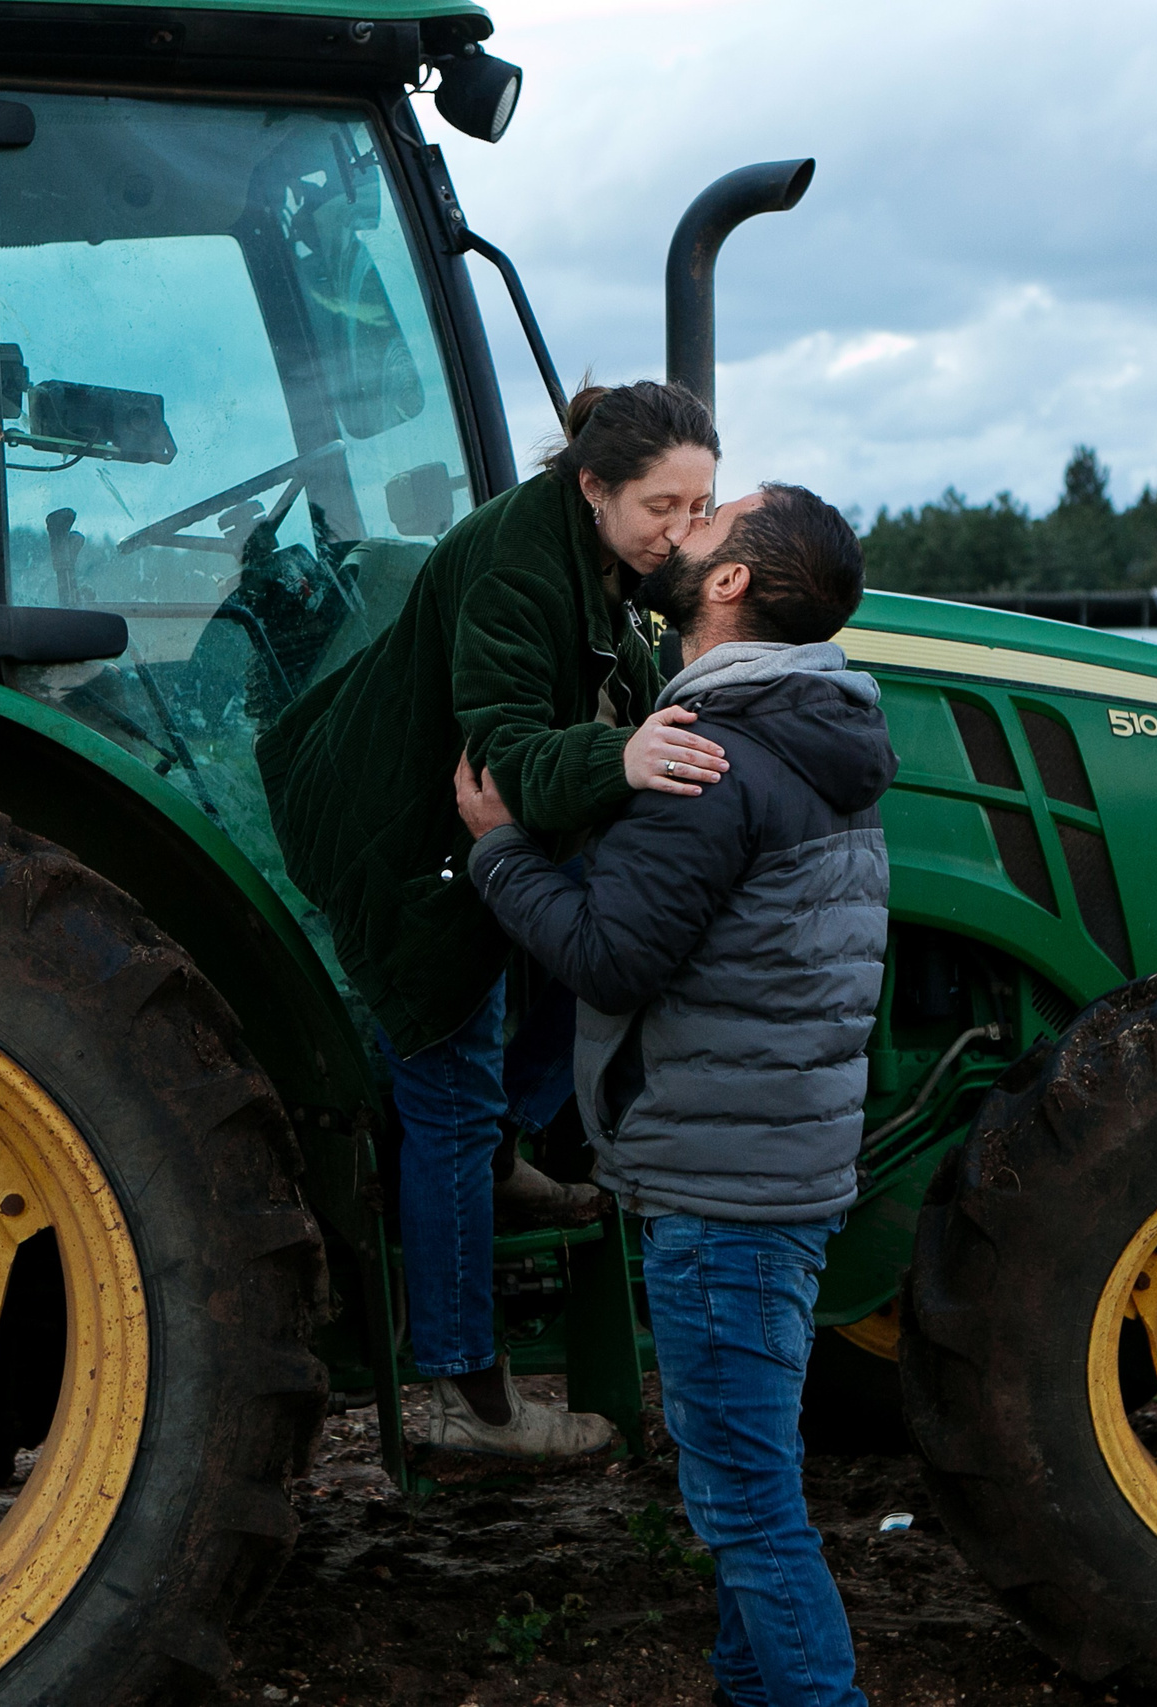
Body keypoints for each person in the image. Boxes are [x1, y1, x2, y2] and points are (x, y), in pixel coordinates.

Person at [454, 482, 890, 1707]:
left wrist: (497, 852)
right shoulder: (814, 737)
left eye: (706, 522)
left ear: (731, 583)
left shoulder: (709, 762)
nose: (676, 530)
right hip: (776, 1170)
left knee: (747, 1509)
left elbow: (607, 954)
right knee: (750, 1485)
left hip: (722, 1190)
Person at [257, 380, 736, 1457]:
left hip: (460, 834)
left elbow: (625, 675)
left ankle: (497, 1150)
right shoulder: (517, 565)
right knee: (449, 1086)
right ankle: (469, 1398)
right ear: (592, 487)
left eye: (699, 506)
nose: (684, 530)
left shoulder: (612, 559)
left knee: (594, 948)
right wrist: (624, 756)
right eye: (664, 506)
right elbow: (508, 749)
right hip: (406, 844)